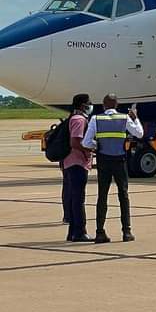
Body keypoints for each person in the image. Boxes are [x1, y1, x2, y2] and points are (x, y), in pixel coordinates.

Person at [83, 94, 143, 243]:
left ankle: (100, 232)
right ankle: (126, 231)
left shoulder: (96, 119)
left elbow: (86, 143)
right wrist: (135, 118)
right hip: (120, 160)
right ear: (117, 105)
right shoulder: (124, 118)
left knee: (102, 195)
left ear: (103, 105)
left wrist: (97, 146)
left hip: (103, 160)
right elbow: (139, 133)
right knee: (123, 195)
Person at [61, 94, 93, 242]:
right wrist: (87, 151)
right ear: (82, 105)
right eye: (89, 103)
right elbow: (75, 142)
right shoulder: (79, 120)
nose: (90, 105)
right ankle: (80, 232)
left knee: (74, 198)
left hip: (70, 163)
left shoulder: (72, 118)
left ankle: (72, 232)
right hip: (77, 163)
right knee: (78, 199)